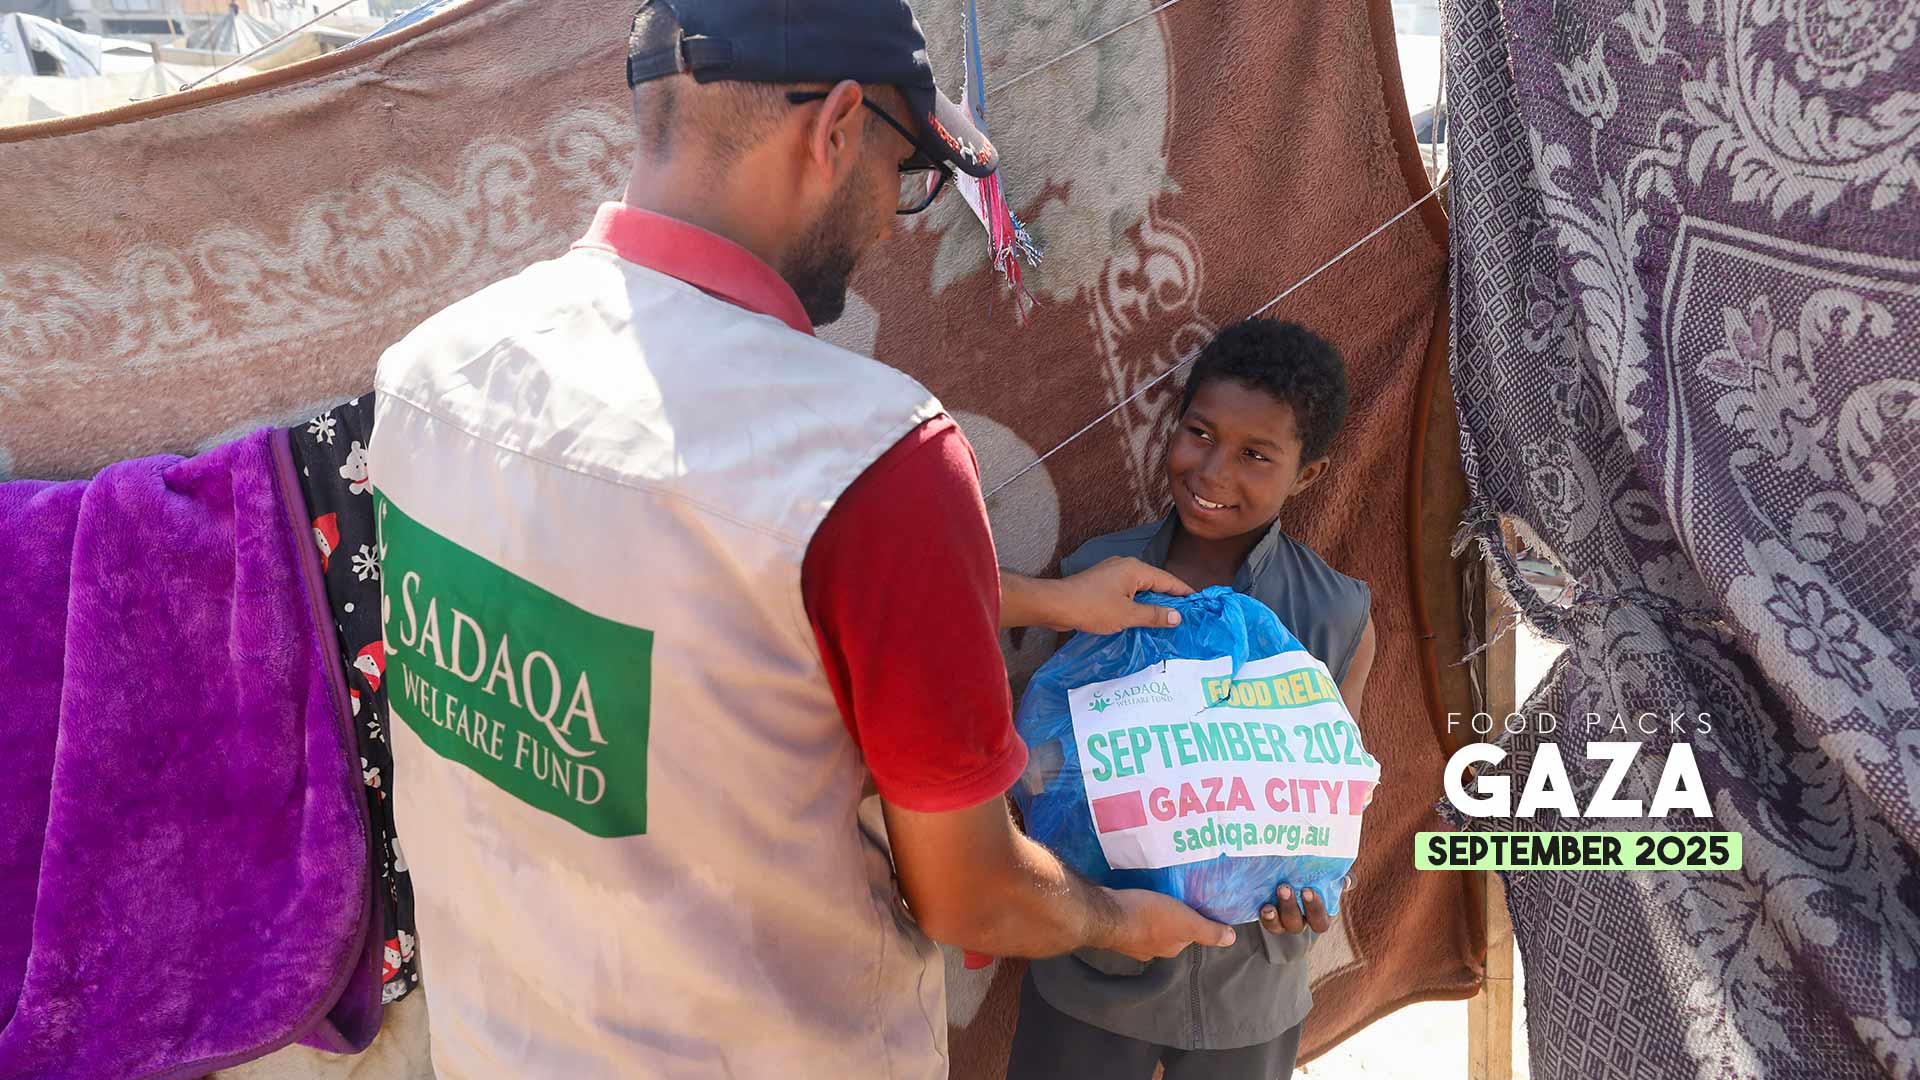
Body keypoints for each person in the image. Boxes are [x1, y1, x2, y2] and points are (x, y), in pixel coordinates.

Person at [366, 1, 1236, 1076]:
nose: (891, 226)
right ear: (834, 129)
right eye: (904, 171)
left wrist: (1053, 601)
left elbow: (738, 612)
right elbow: (974, 894)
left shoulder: (432, 371)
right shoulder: (871, 455)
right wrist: (1117, 918)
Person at [1006, 318, 1379, 1080]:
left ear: (1308, 475)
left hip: (1251, 986)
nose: (1213, 471)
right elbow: (1049, 767)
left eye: (1256, 455)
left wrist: (1313, 888)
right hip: (1097, 970)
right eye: (1199, 433)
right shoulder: (1094, 576)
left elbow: (1335, 794)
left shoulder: (1336, 616)